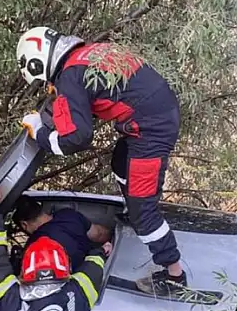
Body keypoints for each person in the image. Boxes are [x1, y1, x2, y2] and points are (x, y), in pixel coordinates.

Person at [15, 26, 184, 295]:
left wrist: (40, 131)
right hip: (154, 115)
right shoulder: (84, 55)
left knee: (144, 213)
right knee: (120, 162)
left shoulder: (70, 76)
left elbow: (76, 138)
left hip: (150, 129)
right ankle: (135, 209)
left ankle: (174, 275)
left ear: (39, 63)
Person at [12, 197, 113, 265]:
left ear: (24, 224)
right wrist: (113, 241)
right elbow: (99, 234)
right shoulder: (69, 214)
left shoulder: (33, 246)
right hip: (98, 264)